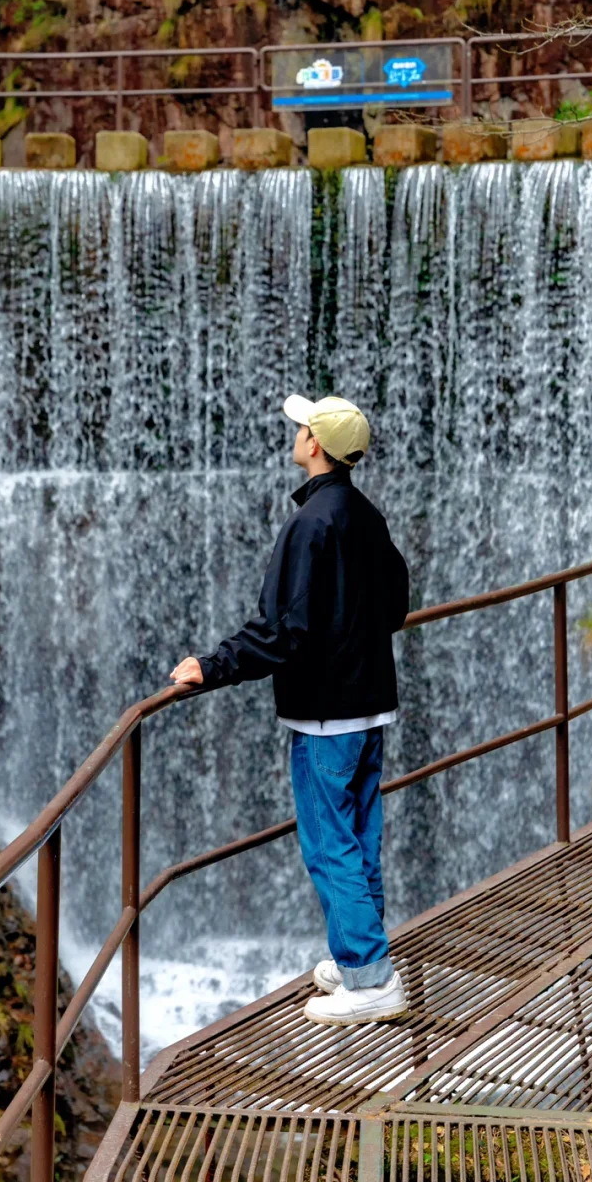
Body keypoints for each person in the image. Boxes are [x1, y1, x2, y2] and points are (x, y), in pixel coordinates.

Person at [170, 393, 411, 1026]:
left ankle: (370, 974)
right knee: (359, 837)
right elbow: (394, 607)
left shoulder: (310, 524)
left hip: (327, 717)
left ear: (316, 445)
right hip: (370, 709)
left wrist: (213, 665)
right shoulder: (366, 514)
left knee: (330, 846)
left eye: (302, 427)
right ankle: (359, 953)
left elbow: (282, 630)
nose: (296, 433)